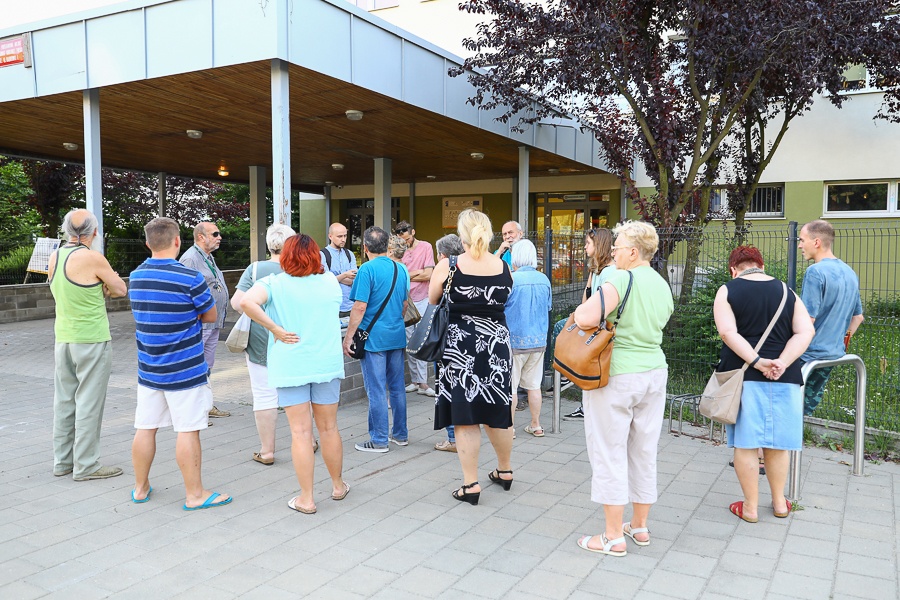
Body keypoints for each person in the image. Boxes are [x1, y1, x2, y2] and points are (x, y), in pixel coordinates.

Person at [572, 221, 673, 556]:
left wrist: (578, 309)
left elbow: (587, 317)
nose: (612, 250)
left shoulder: (621, 277)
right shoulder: (661, 283)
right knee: (644, 449)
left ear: (633, 251)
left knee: (608, 449)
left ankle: (612, 536)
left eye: (617, 245)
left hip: (616, 374)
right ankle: (639, 526)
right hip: (654, 371)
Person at [240, 234, 349, 513]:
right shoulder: (328, 283)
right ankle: (338, 485)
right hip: (325, 363)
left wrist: (275, 329)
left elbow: (246, 303)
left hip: (291, 364)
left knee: (300, 433)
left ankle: (307, 498)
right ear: (317, 255)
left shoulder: (274, 284)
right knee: (329, 428)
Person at [129, 217, 231, 509]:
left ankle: (140, 487)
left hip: (149, 368)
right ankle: (195, 494)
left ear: (148, 243)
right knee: (187, 429)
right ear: (177, 241)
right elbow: (210, 316)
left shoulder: (135, 276)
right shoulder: (189, 277)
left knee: (145, 427)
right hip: (185, 368)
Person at [712, 246, 815, 523]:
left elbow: (727, 332)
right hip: (785, 377)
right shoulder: (787, 292)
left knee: (746, 445)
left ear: (733, 269)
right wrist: (782, 361)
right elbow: (806, 331)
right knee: (778, 444)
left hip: (745, 378)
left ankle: (751, 507)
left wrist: (758, 362)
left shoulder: (727, 290)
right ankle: (780, 503)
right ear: (762, 264)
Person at [431, 209, 514, 505]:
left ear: (462, 235)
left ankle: (471, 485)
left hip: (460, 345)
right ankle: (504, 471)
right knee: (498, 411)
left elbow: (432, 298)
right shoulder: (504, 267)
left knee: (466, 416)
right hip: (497, 344)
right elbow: (505, 299)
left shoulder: (450, 266)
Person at [48, 209, 128, 481]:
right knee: (89, 403)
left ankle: (63, 463)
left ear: (66, 231)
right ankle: (86, 465)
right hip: (92, 338)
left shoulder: (55, 256)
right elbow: (120, 290)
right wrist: (105, 284)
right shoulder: (93, 257)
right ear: (94, 233)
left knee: (65, 401)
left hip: (64, 339)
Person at [230, 223, 318, 467]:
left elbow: (238, 303)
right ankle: (308, 441)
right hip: (295, 338)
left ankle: (267, 451)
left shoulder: (255, 269)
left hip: (261, 340)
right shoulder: (302, 268)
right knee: (302, 392)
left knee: (263, 395)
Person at [343, 226, 410, 453]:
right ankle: (400, 434)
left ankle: (379, 439)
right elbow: (404, 305)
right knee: (397, 388)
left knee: (377, 389)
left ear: (365, 247)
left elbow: (360, 306)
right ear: (387, 245)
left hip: (373, 339)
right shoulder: (401, 269)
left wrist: (349, 337)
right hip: (396, 335)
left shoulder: (366, 270)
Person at [798, 220, 864, 416]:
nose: (800, 245)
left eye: (802, 240)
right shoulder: (849, 272)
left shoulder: (815, 272)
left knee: (778, 410)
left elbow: (806, 320)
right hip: (833, 355)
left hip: (808, 356)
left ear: (816, 242)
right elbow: (858, 317)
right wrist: (839, 341)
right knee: (801, 411)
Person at [562, 227, 616, 420]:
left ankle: (565, 372)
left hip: (601, 326)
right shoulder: (598, 270)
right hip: (593, 321)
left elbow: (598, 304)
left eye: (588, 243)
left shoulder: (611, 273)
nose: (584, 247)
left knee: (563, 329)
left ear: (598, 245)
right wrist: (591, 275)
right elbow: (585, 298)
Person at [179, 221, 230, 419]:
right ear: (201, 237)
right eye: (215, 234)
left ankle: (206, 406)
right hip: (199, 324)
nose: (219, 237)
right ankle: (193, 411)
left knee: (206, 366)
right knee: (194, 366)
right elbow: (184, 292)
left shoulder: (207, 257)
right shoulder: (191, 259)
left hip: (212, 323)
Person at [505, 239, 552, 437]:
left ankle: (510, 428)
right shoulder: (544, 279)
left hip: (515, 340)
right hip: (539, 340)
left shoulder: (512, 279)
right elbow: (548, 307)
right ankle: (536, 424)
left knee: (511, 387)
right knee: (534, 386)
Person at [432, 233, 465, 453]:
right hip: (470, 336)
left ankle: (453, 437)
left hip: (447, 335)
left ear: (442, 254)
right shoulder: (473, 267)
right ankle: (465, 434)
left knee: (447, 386)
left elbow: (432, 299)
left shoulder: (445, 267)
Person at [396, 221, 436, 397]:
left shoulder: (426, 247)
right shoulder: (400, 249)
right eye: (402, 240)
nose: (406, 242)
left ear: (413, 232)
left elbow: (429, 274)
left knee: (420, 340)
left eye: (408, 238)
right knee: (408, 342)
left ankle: (424, 383)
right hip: (406, 299)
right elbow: (399, 273)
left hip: (422, 298)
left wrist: (408, 274)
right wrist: (417, 272)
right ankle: (414, 381)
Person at [320, 222, 358, 318]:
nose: (343, 239)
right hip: (333, 306)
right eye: (339, 236)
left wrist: (335, 277)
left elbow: (353, 280)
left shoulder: (349, 254)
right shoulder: (322, 255)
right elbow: (326, 282)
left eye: (345, 236)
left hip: (350, 304)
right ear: (330, 236)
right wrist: (345, 275)